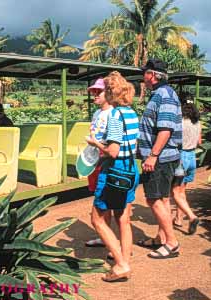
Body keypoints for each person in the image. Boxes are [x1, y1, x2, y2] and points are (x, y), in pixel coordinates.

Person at [87, 71, 139, 282]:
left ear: (110, 92)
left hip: (114, 171)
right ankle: (124, 258)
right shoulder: (132, 113)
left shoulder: (116, 116)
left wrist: (96, 144)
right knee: (123, 218)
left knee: (97, 219)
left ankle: (121, 265)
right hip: (130, 170)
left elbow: (113, 151)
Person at [137, 58, 182, 259]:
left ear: (153, 75)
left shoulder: (165, 95)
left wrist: (153, 155)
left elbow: (165, 129)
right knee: (162, 198)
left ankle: (172, 243)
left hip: (160, 158)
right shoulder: (160, 94)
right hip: (160, 157)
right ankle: (160, 238)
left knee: (153, 199)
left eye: (145, 73)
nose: (143, 77)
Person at [84, 78, 113, 248]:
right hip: (96, 158)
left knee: (108, 200)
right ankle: (105, 237)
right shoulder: (97, 114)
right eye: (93, 91)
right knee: (99, 196)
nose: (94, 94)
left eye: (98, 91)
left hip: (107, 158)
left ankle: (115, 244)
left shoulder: (113, 114)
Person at [171, 97, 201, 234]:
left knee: (175, 192)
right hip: (192, 157)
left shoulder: (180, 123)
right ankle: (178, 218)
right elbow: (199, 141)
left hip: (181, 157)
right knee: (182, 191)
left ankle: (191, 216)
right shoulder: (197, 123)